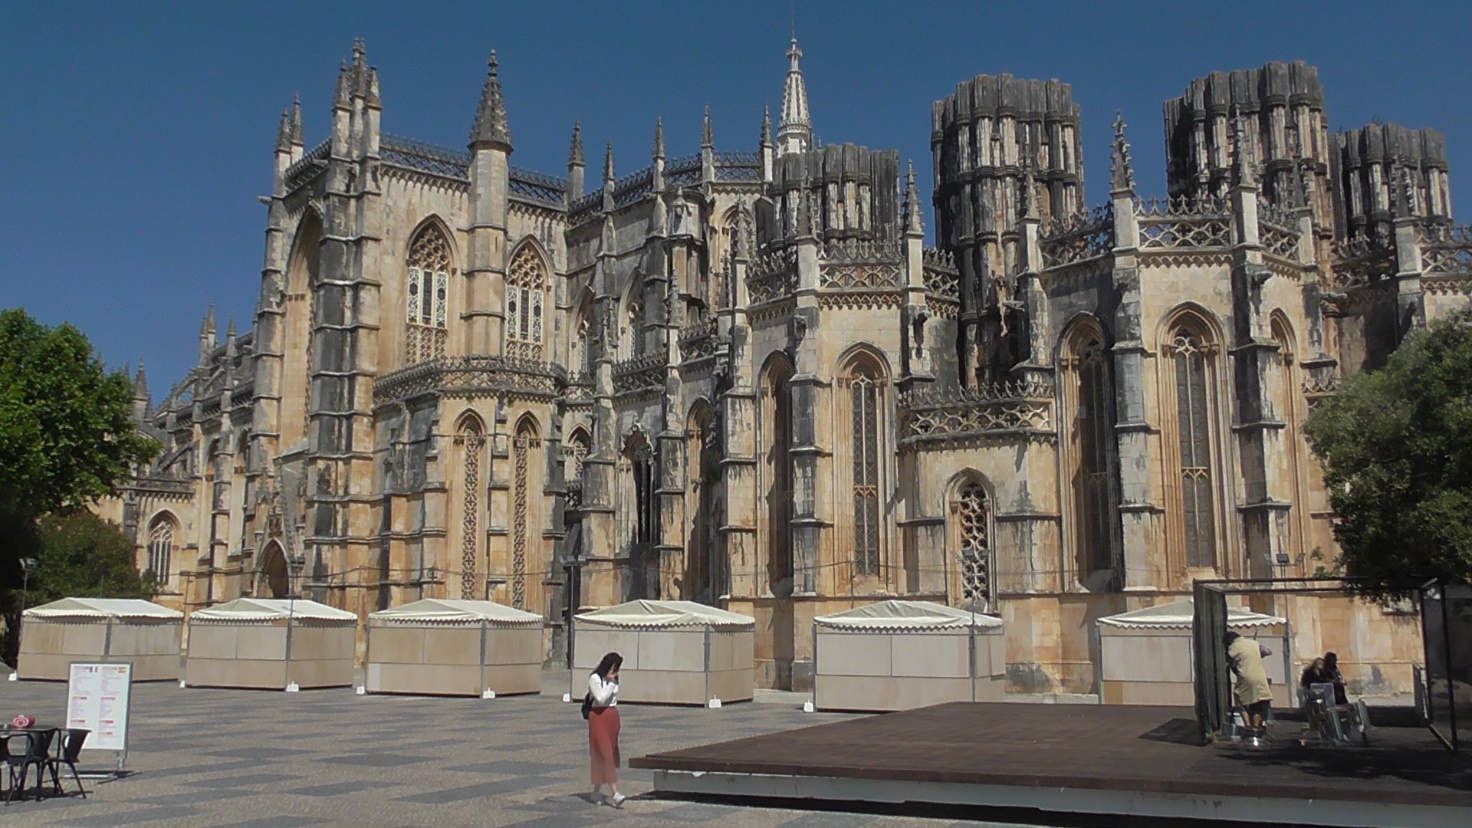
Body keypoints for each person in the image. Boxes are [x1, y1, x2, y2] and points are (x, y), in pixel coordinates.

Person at [587, 651, 625, 808]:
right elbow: (600, 698)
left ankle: (596, 790)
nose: (615, 672)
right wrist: (610, 683)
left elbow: (614, 697)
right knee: (605, 753)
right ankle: (615, 793)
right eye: (613, 668)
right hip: (598, 716)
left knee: (608, 752)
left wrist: (613, 682)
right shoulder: (594, 679)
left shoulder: (615, 680)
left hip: (612, 716)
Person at [1224, 631, 1273, 732]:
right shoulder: (1254, 644)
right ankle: (1256, 727)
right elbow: (1268, 651)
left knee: (1240, 700)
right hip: (1260, 677)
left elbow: (1231, 664)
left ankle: (1247, 725)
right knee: (1259, 701)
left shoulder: (1233, 648)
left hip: (1245, 677)